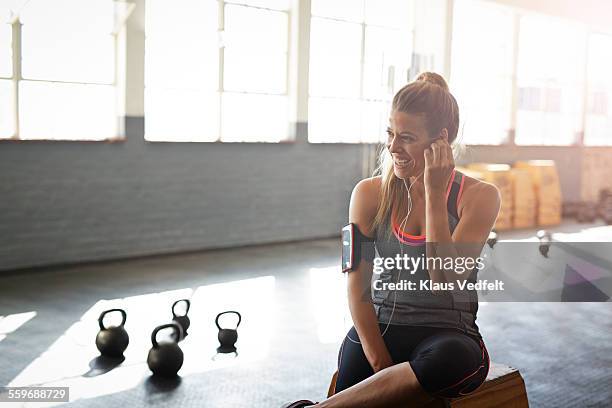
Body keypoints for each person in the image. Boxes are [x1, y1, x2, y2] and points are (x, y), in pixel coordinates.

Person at [283, 72, 501, 408]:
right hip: (382, 327)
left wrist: (432, 190)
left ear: (440, 140)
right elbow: (357, 289)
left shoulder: (479, 197)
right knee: (357, 355)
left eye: (407, 138)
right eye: (390, 133)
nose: (393, 147)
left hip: (449, 336)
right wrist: (384, 371)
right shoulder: (368, 194)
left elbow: (445, 278)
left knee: (450, 359)